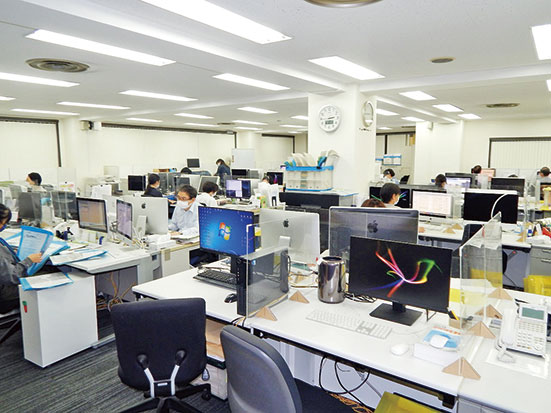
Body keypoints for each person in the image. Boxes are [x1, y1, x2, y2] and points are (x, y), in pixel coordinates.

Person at [0, 204, 42, 309]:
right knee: (45, 277)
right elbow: (13, 277)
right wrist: (29, 260)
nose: (4, 226)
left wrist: (10, 252)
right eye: (3, 223)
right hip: (5, 295)